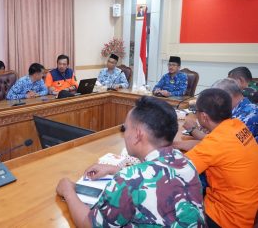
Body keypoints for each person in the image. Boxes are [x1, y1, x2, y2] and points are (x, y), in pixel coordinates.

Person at [56, 96, 205, 227]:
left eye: (125, 128)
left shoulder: (128, 180)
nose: (124, 134)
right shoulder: (186, 162)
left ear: (138, 134)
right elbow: (156, 178)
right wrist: (113, 169)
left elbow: (89, 224)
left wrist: (68, 191)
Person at [185, 88, 258, 228]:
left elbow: (177, 170)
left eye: (196, 111)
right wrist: (176, 144)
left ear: (204, 117)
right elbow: (210, 147)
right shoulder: (237, 125)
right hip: (248, 208)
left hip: (227, 218)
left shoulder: (216, 143)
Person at [178, 78, 258, 146]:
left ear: (227, 96)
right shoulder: (235, 108)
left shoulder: (249, 115)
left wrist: (193, 130)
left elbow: (224, 145)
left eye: (216, 97)